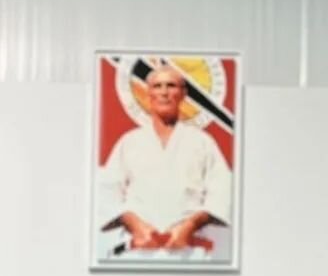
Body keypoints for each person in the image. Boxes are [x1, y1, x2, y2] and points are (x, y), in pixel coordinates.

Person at [96, 63, 233, 262]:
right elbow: (107, 191)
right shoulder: (130, 142)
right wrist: (135, 225)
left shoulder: (202, 142)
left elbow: (222, 192)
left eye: (171, 86)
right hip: (138, 249)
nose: (164, 92)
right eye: (157, 86)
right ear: (148, 93)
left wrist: (190, 225)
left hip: (189, 250)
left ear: (184, 94)